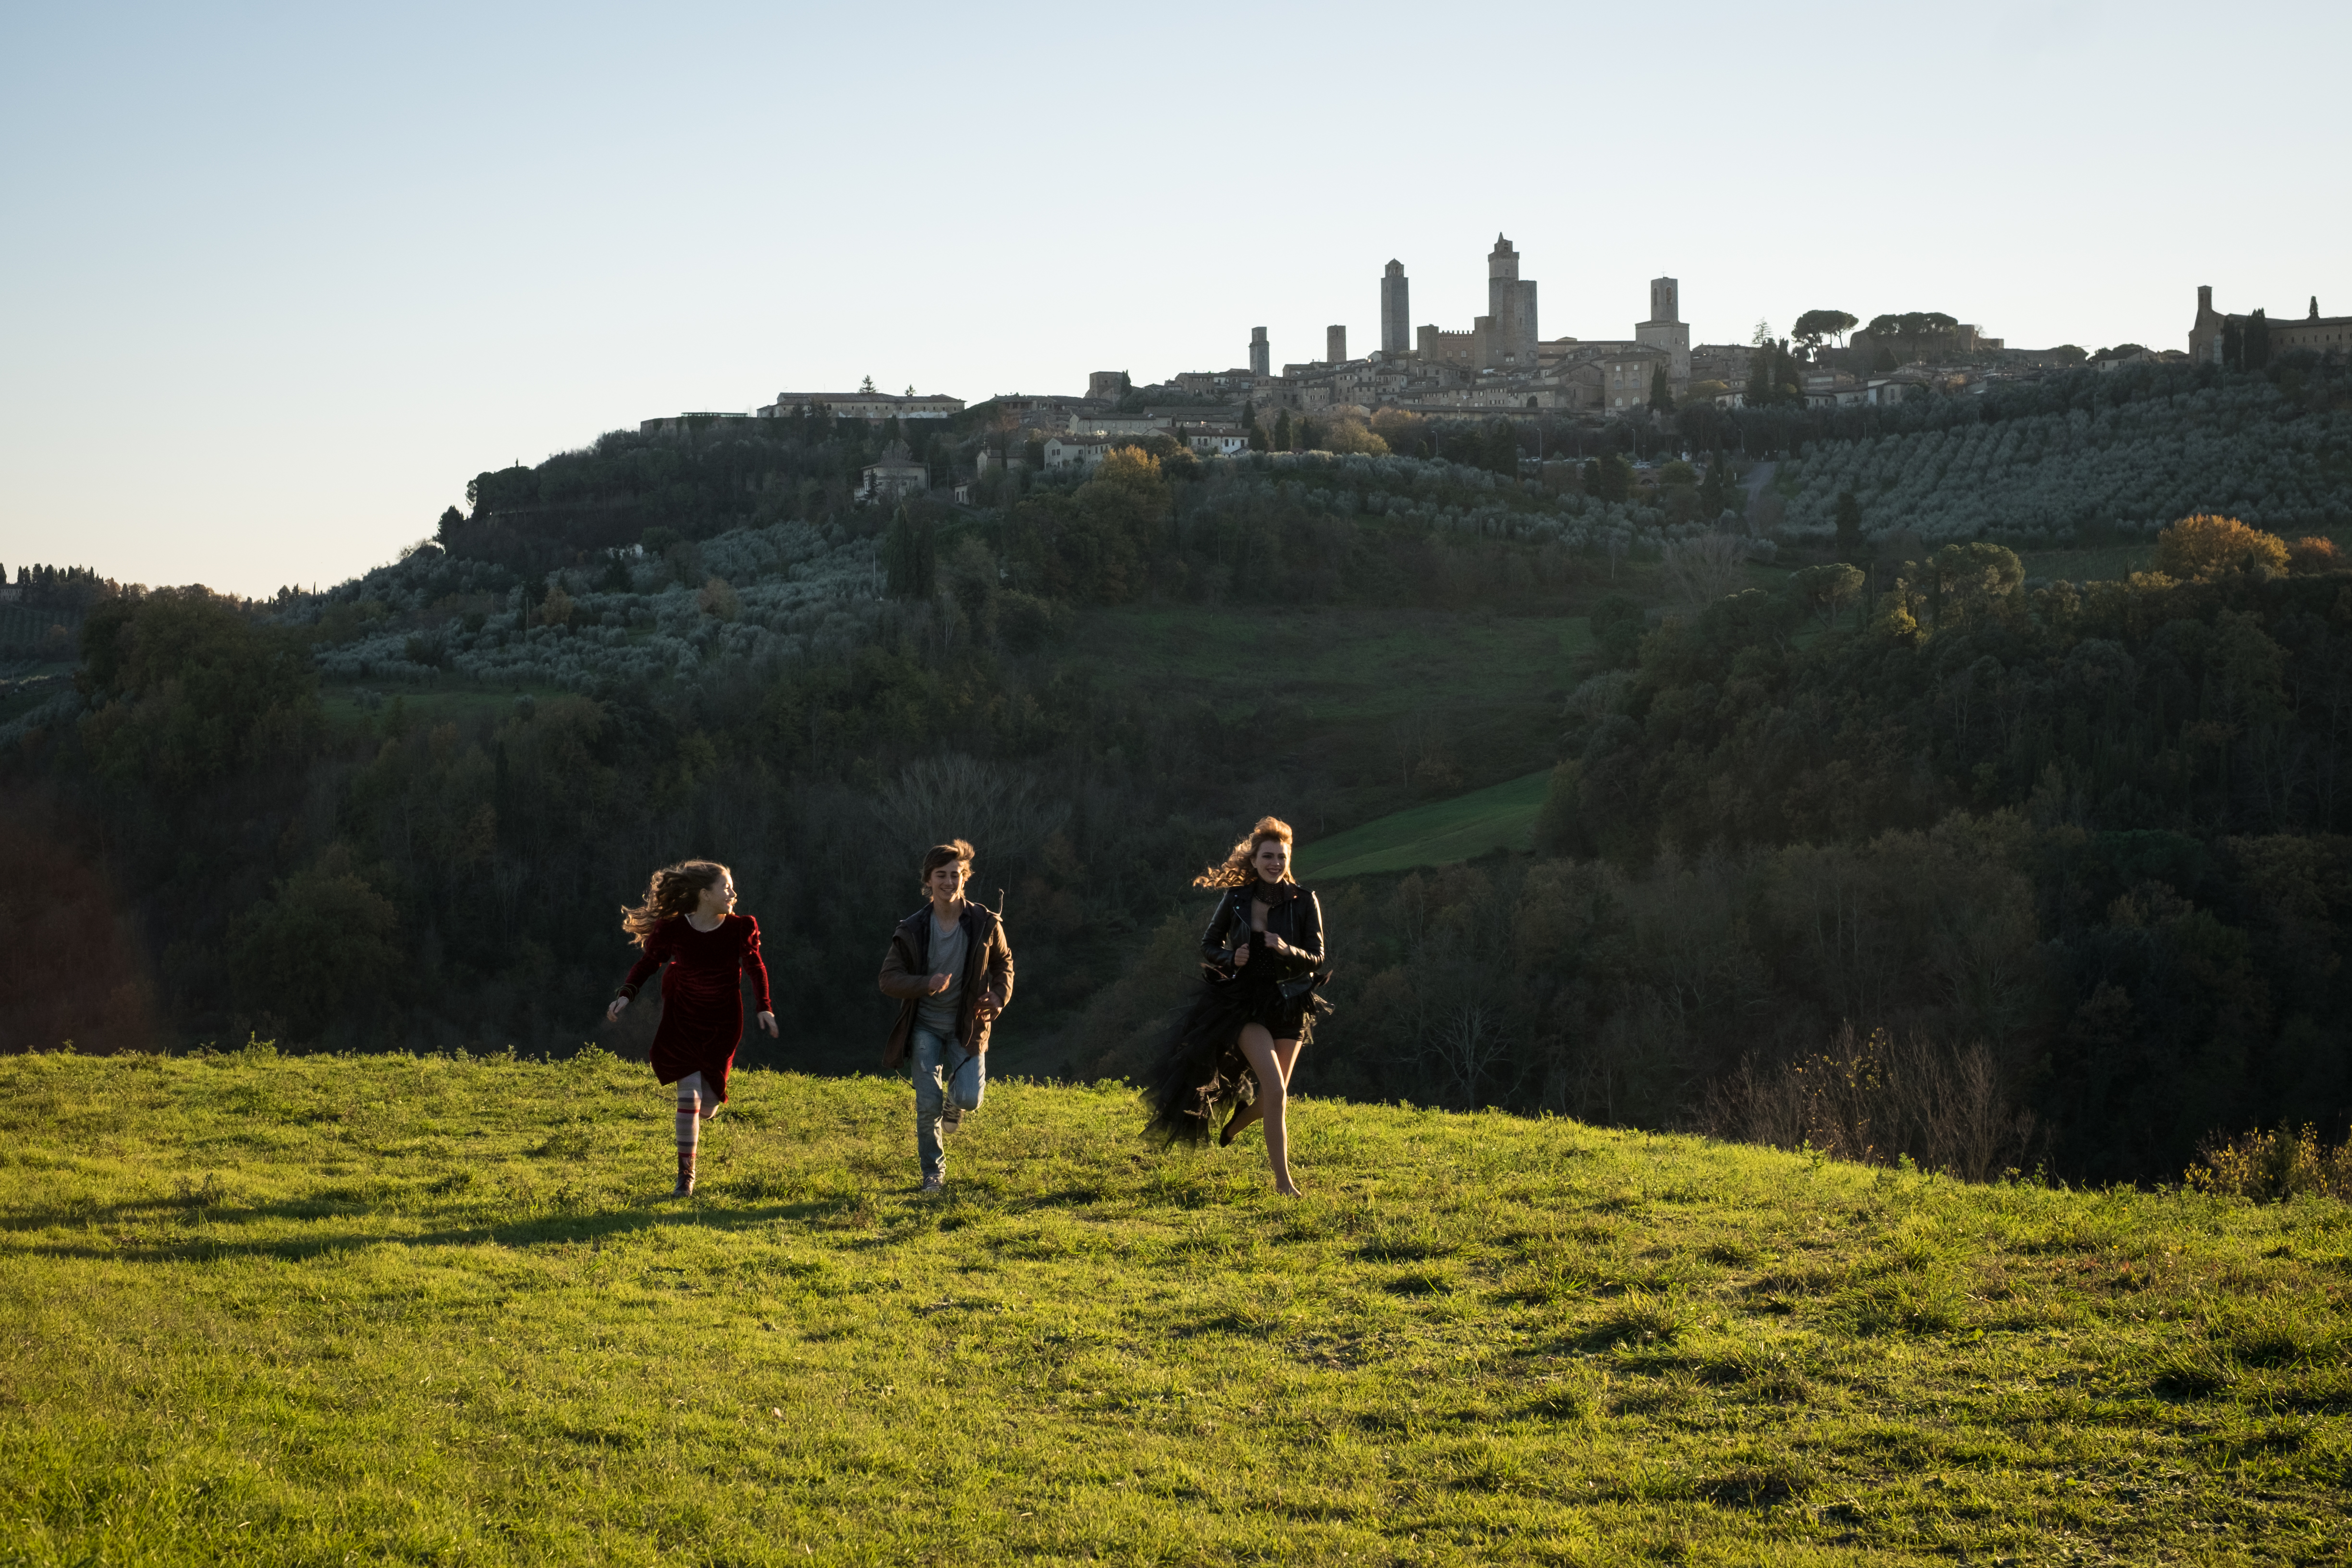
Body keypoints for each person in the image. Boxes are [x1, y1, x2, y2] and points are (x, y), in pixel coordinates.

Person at [1143, 817, 1329, 1196]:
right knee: (1276, 1092)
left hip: (1291, 1002)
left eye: (1281, 856)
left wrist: (1284, 949)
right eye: (1268, 856)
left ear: (1289, 859)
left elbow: (1317, 956)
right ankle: (1284, 1183)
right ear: (1255, 859)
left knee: (1272, 1096)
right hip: (1245, 1004)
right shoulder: (1237, 898)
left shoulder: (1304, 900)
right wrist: (1232, 957)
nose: (1275, 863)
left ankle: (1237, 1123)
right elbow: (1208, 944)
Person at [607, 859, 777, 1198]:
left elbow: (755, 967)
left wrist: (765, 1008)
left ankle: (700, 1119)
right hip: (682, 1019)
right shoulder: (673, 930)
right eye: (726, 888)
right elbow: (648, 964)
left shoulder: (742, 927)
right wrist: (626, 996)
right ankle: (686, 1178)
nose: (734, 894)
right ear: (704, 894)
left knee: (708, 1104)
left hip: (723, 1022)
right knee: (689, 1097)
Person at [878, 839, 1014, 1194]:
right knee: (927, 1106)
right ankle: (932, 1174)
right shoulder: (913, 928)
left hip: (966, 1027)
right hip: (924, 1026)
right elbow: (888, 979)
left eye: (956, 875)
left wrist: (998, 996)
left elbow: (1004, 963)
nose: (949, 883)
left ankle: (955, 1103)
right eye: (942, 876)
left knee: (970, 1098)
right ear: (928, 881)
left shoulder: (984, 922)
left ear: (965, 878)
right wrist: (926, 984)